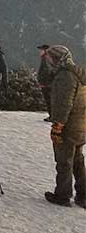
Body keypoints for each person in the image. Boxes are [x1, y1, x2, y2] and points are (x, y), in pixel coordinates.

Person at [43, 45, 85, 208]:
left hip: (68, 126)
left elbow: (63, 104)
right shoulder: (78, 73)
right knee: (78, 160)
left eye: (50, 59)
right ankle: (83, 195)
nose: (49, 62)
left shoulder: (64, 76)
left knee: (64, 161)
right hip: (81, 124)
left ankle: (62, 195)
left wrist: (57, 127)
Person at [38, 44, 56, 122]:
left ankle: (52, 116)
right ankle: (52, 115)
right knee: (50, 100)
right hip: (49, 83)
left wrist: (44, 81)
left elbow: (46, 71)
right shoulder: (49, 58)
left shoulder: (45, 59)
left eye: (41, 50)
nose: (40, 52)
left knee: (49, 100)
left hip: (46, 84)